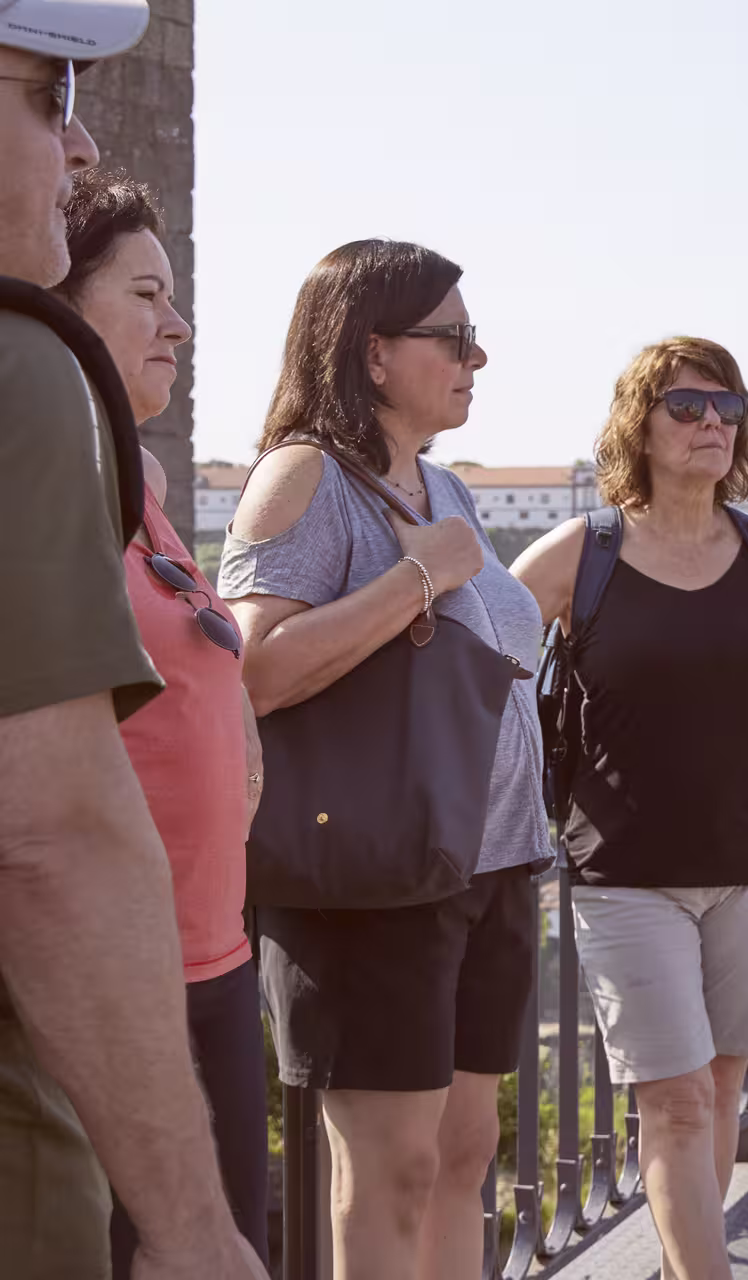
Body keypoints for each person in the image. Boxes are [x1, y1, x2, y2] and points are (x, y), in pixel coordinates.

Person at [0, 5, 269, 1278]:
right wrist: (193, 1228)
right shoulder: (23, 372)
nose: (81, 137)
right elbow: (49, 830)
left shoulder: (132, 466)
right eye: (50, 96)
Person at [220, 239, 547, 1278]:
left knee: (463, 1150)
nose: (476, 357)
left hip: (486, 861)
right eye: (450, 337)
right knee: (395, 1165)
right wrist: (414, 580)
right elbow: (252, 672)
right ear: (371, 352)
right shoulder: (305, 477)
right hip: (372, 874)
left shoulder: (446, 487)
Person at [512, 337, 748, 1280]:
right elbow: (478, 640)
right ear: (642, 424)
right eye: (688, 407)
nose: (713, 424)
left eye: (728, 409)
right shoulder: (586, 552)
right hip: (625, 873)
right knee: (669, 1102)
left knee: (716, 1091)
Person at [55, 167, 271, 1275]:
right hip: (115, 984)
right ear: (60, 292)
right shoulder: (53, 478)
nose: (176, 323)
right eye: (145, 294)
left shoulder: (137, 477)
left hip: (214, 957)